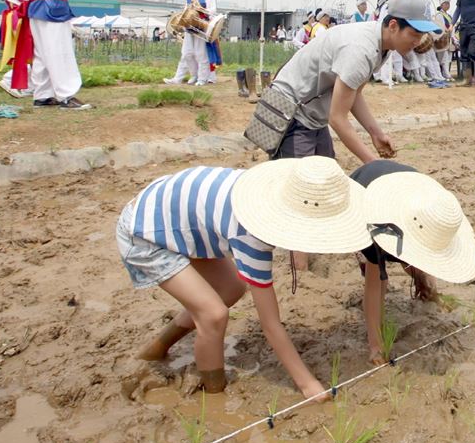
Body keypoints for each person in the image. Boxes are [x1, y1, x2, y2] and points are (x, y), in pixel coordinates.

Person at [120, 156, 371, 398]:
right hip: (144, 232)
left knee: (232, 289)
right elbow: (270, 324)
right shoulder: (251, 232)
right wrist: (307, 384)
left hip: (180, 217)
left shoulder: (266, 191)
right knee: (213, 315)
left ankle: (155, 349)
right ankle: (213, 391)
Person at [270, 0, 438, 162]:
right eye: (414, 35)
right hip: (291, 110)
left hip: (313, 113)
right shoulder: (360, 50)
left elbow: (354, 93)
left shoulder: (383, 45)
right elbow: (337, 118)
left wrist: (376, 134)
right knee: (298, 174)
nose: (417, 42)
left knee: (326, 169)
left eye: (421, 36)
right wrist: (373, 163)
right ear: (393, 26)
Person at [351, 160, 475, 364]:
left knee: (416, 262)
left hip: (405, 187)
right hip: (364, 191)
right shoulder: (376, 225)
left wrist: (424, 279)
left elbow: (424, 250)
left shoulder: (429, 212)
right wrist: (376, 346)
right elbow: (373, 287)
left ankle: (422, 280)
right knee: (378, 275)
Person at [165, 0, 217, 86]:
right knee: (186, 54)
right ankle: (184, 77)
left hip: (201, 29)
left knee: (200, 54)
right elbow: (185, 11)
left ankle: (202, 78)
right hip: (189, 28)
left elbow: (213, 12)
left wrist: (200, 10)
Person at [433, 0, 454, 80]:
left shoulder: (449, 16)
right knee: (443, 57)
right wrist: (446, 31)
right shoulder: (439, 15)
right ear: (441, 5)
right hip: (441, 39)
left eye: (448, 4)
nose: (448, 5)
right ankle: (445, 74)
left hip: (449, 38)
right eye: (446, 3)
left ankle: (446, 73)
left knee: (448, 57)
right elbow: (440, 26)